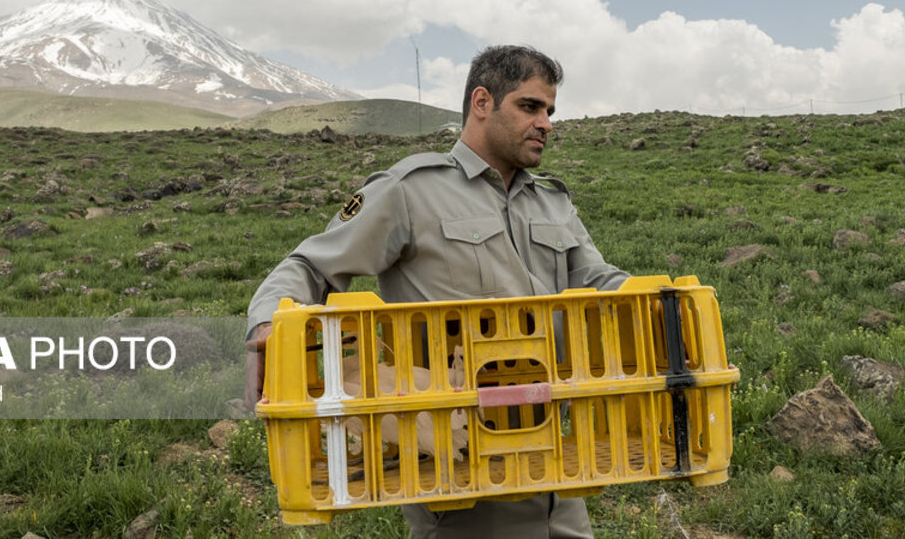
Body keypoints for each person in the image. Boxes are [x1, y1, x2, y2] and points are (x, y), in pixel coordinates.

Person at [244, 45, 631, 538]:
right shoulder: (409, 190)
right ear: (483, 102)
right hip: (458, 462)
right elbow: (310, 264)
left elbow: (595, 278)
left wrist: (665, 302)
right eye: (530, 107)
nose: (546, 123)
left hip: (555, 454)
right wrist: (265, 324)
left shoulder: (552, 201)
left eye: (550, 111)